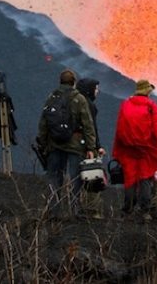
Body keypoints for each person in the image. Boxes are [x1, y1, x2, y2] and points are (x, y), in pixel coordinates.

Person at [37, 69, 97, 217]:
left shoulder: (52, 97)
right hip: (75, 144)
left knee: (54, 176)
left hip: (54, 143)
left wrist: (43, 143)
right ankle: (74, 209)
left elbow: (44, 122)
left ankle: (53, 210)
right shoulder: (79, 99)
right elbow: (88, 124)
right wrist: (91, 147)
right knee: (75, 178)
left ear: (60, 81)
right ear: (74, 82)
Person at [112, 79, 157, 221]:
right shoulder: (152, 107)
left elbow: (119, 128)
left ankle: (127, 209)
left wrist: (118, 150)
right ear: (148, 92)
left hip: (128, 148)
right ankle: (144, 210)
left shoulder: (125, 104)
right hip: (147, 149)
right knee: (145, 178)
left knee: (130, 178)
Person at [76, 77, 105, 219]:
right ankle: (92, 210)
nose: (97, 91)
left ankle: (79, 207)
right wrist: (95, 147)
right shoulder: (88, 105)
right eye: (96, 88)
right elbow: (91, 128)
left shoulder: (75, 101)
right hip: (87, 147)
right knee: (92, 177)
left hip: (74, 145)